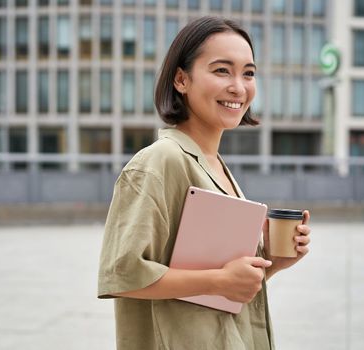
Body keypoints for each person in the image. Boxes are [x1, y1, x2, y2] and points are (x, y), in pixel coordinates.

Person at [98, 16, 311, 350]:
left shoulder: (217, 166)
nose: (239, 87)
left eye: (249, 73)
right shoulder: (160, 161)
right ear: (181, 79)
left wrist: (270, 262)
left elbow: (218, 290)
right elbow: (123, 273)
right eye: (222, 70)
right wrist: (221, 279)